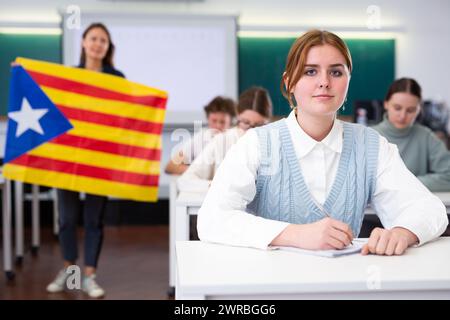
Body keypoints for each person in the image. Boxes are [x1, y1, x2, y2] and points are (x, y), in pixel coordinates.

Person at [197, 30, 448, 256]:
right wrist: (297, 234)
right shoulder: (257, 143)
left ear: (348, 81)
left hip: (344, 285)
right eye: (310, 71)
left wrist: (402, 232)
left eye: (336, 72)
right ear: (289, 82)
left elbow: (430, 209)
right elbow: (211, 219)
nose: (324, 82)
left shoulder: (371, 145)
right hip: (270, 287)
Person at [46, 23, 125, 298]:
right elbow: (51, 107)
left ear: (108, 46)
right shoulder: (68, 76)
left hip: (99, 161)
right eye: (93, 38)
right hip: (69, 159)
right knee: (66, 219)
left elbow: (122, 117)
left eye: (103, 40)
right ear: (83, 42)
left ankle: (89, 275)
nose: (97, 44)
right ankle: (70, 272)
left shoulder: (117, 78)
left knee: (93, 219)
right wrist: (23, 75)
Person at [177, 86, 272, 192]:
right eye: (245, 123)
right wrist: (215, 186)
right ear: (238, 116)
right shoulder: (221, 141)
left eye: (258, 126)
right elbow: (185, 181)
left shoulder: (274, 143)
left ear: (268, 122)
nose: (251, 131)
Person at [372, 78, 450, 192]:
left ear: (419, 110)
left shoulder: (426, 137)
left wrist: (407, 182)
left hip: (416, 206)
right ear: (386, 104)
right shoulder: (368, 136)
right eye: (397, 108)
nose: (403, 116)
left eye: (410, 110)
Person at [165, 96, 236, 175]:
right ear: (208, 119)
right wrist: (198, 172)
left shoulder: (237, 140)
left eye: (223, 122)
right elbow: (171, 166)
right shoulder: (200, 138)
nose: (218, 126)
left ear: (231, 122)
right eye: (214, 121)